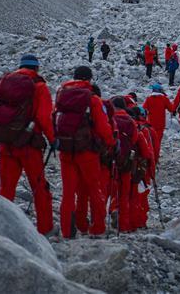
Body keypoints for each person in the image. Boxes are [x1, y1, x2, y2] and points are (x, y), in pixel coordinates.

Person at [0, 54, 54, 236]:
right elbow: (43, 117)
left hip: (6, 141)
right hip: (28, 144)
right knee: (39, 186)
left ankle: (1, 229)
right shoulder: (39, 87)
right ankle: (45, 228)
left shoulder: (6, 82)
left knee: (6, 187)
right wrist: (53, 139)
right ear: (36, 68)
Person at [53, 66, 114, 238]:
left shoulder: (61, 94)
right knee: (94, 189)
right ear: (89, 79)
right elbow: (103, 127)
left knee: (68, 192)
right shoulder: (92, 99)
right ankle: (97, 228)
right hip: (87, 151)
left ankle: (67, 230)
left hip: (65, 150)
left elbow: (54, 117)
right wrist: (109, 143)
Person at [109, 98, 141, 232]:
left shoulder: (110, 119)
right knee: (125, 193)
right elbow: (135, 139)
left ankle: (110, 212)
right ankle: (124, 226)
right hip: (126, 161)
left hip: (110, 160)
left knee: (109, 189)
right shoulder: (131, 121)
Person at [128, 107, 155, 231]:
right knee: (139, 196)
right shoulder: (145, 130)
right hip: (139, 169)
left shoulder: (118, 126)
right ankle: (138, 222)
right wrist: (152, 171)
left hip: (120, 166)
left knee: (122, 195)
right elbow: (150, 153)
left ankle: (123, 222)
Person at [142, 83, 174, 163]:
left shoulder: (149, 98)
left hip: (150, 124)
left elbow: (143, 110)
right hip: (160, 124)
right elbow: (171, 109)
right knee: (157, 142)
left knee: (150, 141)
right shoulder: (164, 98)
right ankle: (155, 160)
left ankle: (150, 158)